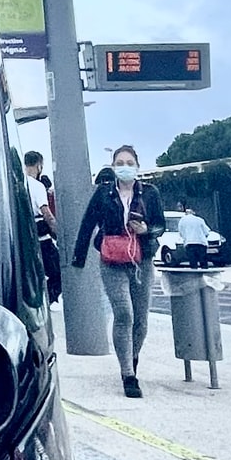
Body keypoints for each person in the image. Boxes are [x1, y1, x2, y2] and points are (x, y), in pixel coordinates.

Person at [73, 145, 164, 398]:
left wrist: (146, 229)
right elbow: (88, 223)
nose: (125, 166)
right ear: (114, 167)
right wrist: (78, 257)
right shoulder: (104, 193)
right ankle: (128, 374)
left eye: (129, 162)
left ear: (137, 165)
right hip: (112, 258)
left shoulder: (150, 193)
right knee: (124, 312)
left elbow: (160, 224)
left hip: (142, 259)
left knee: (141, 318)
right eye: (120, 162)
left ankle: (132, 357)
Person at [22, 150, 62, 302]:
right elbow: (47, 214)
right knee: (57, 272)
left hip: (24, 239)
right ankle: (48, 300)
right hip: (42, 240)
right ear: (39, 166)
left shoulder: (17, 183)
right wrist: (59, 234)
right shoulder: (37, 186)